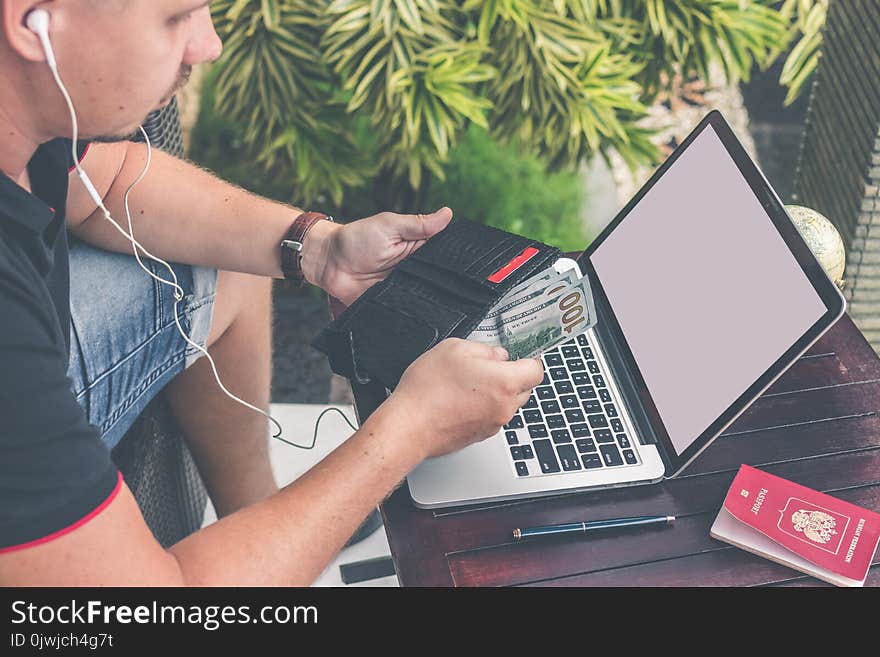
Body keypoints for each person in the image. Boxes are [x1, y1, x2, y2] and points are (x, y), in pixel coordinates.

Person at [0, 1, 544, 585]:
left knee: (224, 260)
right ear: (32, 21)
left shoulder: (29, 112)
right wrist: (408, 430)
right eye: (177, 17)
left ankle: (261, 521)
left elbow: (102, 178)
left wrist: (317, 245)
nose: (208, 45)